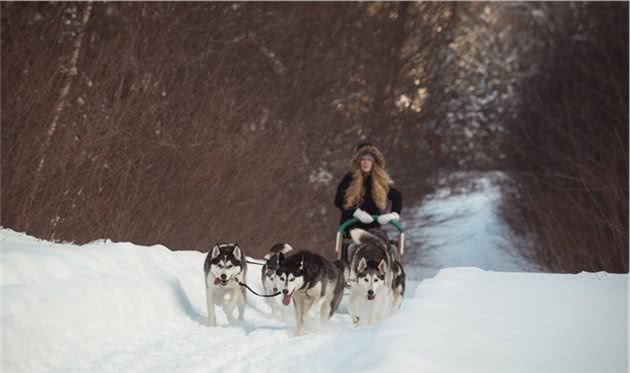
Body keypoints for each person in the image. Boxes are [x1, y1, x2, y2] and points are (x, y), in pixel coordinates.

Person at [334, 142, 403, 239]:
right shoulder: (349, 178)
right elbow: (338, 200)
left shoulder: (379, 181)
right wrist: (357, 213)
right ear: (358, 161)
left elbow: (397, 196)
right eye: (363, 159)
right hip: (351, 227)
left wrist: (393, 214)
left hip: (373, 228)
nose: (366, 162)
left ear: (374, 162)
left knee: (387, 246)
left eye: (369, 160)